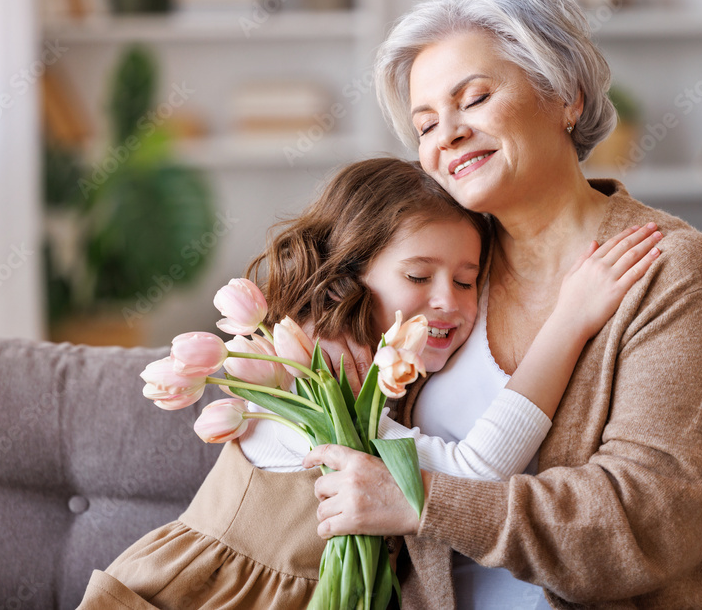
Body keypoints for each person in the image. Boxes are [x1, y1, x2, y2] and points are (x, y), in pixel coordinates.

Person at [302, 0, 702, 609]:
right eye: (425, 123)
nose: (447, 135)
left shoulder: (675, 273)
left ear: (565, 97)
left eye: (476, 98)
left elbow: (649, 519)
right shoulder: (441, 275)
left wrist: (422, 500)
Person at [78, 157, 661, 609]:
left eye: (467, 280)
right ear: (349, 273)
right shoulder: (311, 375)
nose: (448, 303)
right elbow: (477, 474)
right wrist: (569, 321)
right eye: (418, 275)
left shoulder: (385, 376)